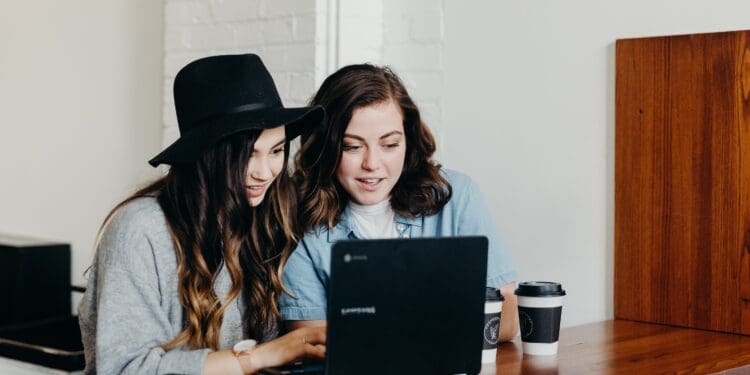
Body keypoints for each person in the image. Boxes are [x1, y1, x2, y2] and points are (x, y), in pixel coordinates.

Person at [78, 54, 327, 374]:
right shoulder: (140, 229)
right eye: (247, 155)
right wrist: (263, 356)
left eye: (277, 151)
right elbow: (125, 369)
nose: (265, 172)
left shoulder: (265, 217)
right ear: (207, 155)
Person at [280, 64, 520, 342]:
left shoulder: (457, 196)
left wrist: (385, 330)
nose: (372, 164)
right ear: (326, 147)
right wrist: (439, 320)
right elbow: (309, 340)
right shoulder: (299, 220)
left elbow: (507, 317)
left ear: (408, 141)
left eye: (390, 144)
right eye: (352, 147)